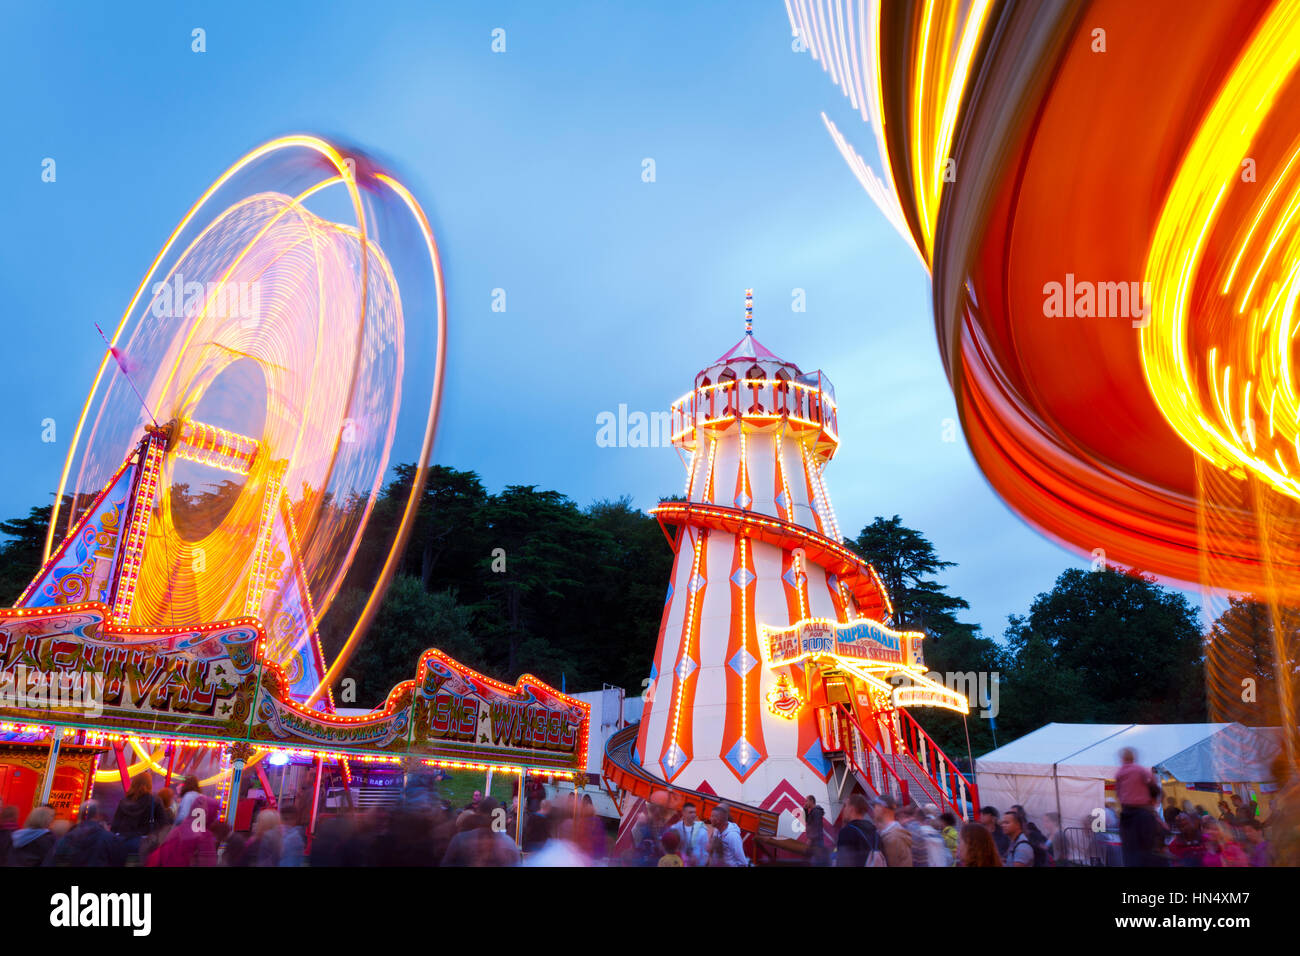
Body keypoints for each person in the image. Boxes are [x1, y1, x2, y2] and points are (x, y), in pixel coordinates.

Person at [1114, 747, 1161, 867]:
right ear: (1134, 757)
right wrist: (1152, 801)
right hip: (1143, 812)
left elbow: (1118, 794)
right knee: (1148, 847)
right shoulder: (1141, 770)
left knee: (1130, 850)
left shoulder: (1119, 773)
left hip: (1127, 813)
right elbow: (1154, 787)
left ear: (1122, 758)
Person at [49, 801, 125, 867]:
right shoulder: (109, 838)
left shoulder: (66, 837)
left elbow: (54, 861)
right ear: (97, 815)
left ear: (80, 815)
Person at [111, 773, 165, 860]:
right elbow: (163, 823)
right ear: (149, 784)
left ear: (134, 783)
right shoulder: (154, 801)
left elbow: (115, 825)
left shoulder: (124, 801)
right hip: (141, 844)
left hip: (121, 842)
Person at [834, 793, 881, 867]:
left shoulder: (847, 832)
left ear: (851, 809)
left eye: (845, 806)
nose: (843, 809)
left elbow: (843, 863)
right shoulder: (874, 831)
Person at [872, 795, 912, 867]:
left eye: (875, 806)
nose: (873, 810)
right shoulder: (893, 832)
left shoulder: (893, 837)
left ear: (882, 808)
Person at [667, 801, 709, 867]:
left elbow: (705, 852)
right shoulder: (675, 828)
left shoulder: (702, 830)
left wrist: (700, 862)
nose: (693, 815)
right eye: (690, 812)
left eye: (694, 812)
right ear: (683, 813)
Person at [803, 794, 828, 866]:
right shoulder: (813, 811)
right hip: (815, 840)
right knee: (813, 860)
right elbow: (807, 821)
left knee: (817, 861)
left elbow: (817, 826)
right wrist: (805, 810)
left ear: (811, 801)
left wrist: (810, 838)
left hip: (816, 841)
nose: (805, 803)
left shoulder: (816, 811)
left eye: (806, 801)